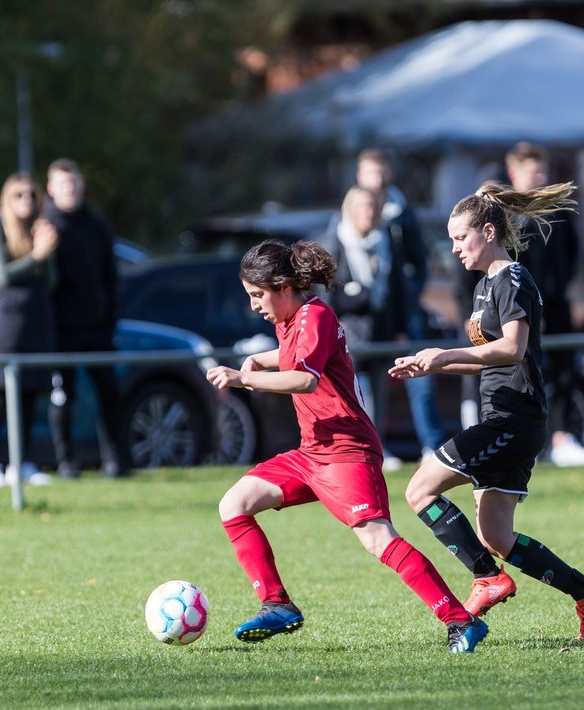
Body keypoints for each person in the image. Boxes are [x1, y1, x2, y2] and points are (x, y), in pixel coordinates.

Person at [206, 239, 488, 653]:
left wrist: (243, 377)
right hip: (311, 453)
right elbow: (292, 356)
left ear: (283, 286)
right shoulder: (294, 319)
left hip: (346, 451)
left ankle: (459, 621)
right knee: (234, 504)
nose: (254, 306)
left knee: (377, 539)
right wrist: (260, 360)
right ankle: (277, 604)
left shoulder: (314, 315)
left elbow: (305, 378)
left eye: (257, 295)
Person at [389, 181, 584, 641]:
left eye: (460, 237)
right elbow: (489, 359)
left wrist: (444, 353)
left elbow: (512, 349)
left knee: (420, 489)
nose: (454, 248)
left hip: (513, 419)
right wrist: (431, 365)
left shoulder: (512, 279)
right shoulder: (484, 286)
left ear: (488, 231)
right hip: (505, 416)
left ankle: (486, 577)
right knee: (496, 535)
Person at [352, 149, 445, 462]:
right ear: (359, 176)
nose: (376, 180)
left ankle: (431, 446)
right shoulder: (349, 218)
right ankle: (375, 448)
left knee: (419, 376)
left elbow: (418, 262)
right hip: (365, 321)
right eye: (370, 173)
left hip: (402, 313)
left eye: (380, 173)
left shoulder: (401, 213)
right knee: (368, 386)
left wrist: (410, 295)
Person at [503, 142, 584, 467]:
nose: (539, 175)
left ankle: (562, 436)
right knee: (524, 371)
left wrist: (559, 287)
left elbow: (572, 252)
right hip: (522, 307)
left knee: (564, 370)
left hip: (556, 303)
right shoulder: (507, 214)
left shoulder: (560, 210)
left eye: (542, 169)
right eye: (531, 170)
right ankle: (528, 441)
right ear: (514, 173)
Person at [42, 158, 129, 479]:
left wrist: (109, 317)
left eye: (75, 183)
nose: (71, 190)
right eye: (64, 184)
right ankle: (66, 463)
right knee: (63, 397)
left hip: (97, 329)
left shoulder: (96, 225)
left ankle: (116, 462)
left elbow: (110, 275)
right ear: (51, 188)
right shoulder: (45, 226)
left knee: (110, 395)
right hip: (62, 333)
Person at [0, 173, 59, 489]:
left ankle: (19, 462)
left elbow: (52, 281)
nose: (27, 201)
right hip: (5, 327)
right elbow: (4, 275)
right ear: (6, 199)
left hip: (35, 327)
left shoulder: (38, 230)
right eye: (19, 195)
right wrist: (37, 255)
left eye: (32, 195)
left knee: (29, 396)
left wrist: (46, 253)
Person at [322, 186, 405, 461]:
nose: (367, 212)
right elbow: (330, 294)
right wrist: (359, 294)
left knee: (381, 395)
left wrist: (399, 328)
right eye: (361, 206)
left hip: (380, 332)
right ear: (350, 209)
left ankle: (378, 448)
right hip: (349, 335)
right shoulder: (337, 241)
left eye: (371, 206)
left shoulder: (385, 241)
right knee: (355, 394)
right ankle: (356, 450)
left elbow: (396, 289)